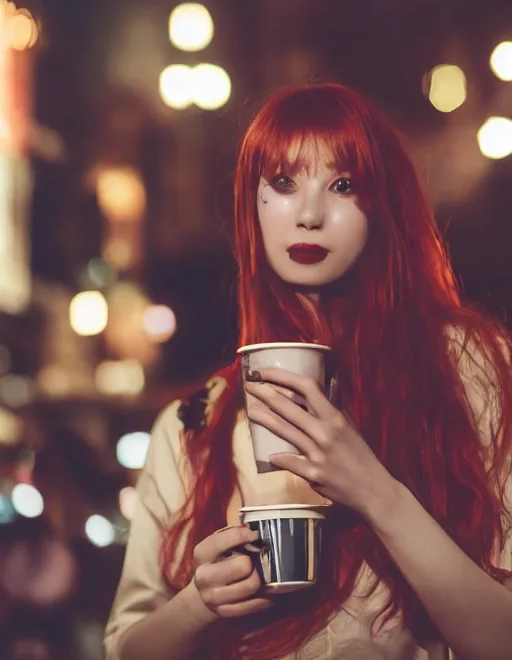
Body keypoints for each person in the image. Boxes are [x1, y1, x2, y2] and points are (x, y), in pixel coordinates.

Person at [104, 83, 512, 660]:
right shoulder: (198, 422)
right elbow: (127, 649)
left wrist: (376, 492)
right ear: (253, 203)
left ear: (384, 204)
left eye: (343, 185)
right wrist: (201, 601)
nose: (311, 214)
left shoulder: (471, 368)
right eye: (284, 183)